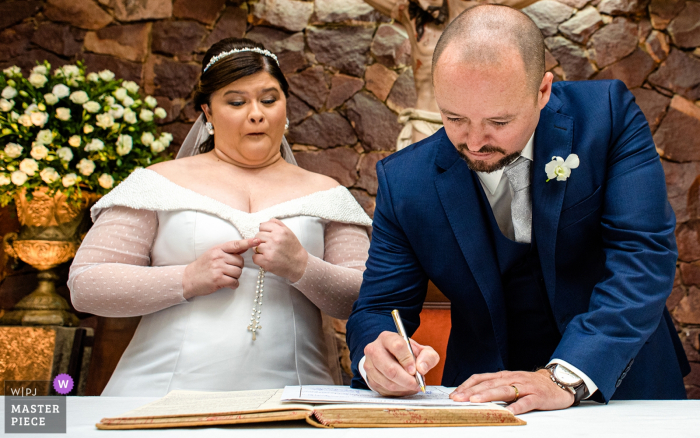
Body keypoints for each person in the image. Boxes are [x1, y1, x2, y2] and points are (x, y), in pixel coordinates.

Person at [346, 5, 690, 414]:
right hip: (481, 401)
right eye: (454, 117)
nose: (474, 142)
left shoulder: (607, 117)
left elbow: (643, 257)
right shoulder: (405, 181)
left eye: (499, 121)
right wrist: (377, 357)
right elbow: (377, 307)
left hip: (620, 390)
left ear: (542, 91)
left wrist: (565, 375)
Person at [68, 38, 372, 396]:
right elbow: (86, 286)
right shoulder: (157, 184)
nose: (256, 113)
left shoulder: (327, 195)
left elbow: (370, 298)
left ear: (285, 108)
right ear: (208, 113)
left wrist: (303, 267)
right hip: (161, 395)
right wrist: (185, 278)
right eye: (236, 102)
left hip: (297, 398)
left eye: (269, 99)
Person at [361, 0, 539, 150]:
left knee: (472, 187)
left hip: (469, 122)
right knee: (420, 186)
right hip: (426, 119)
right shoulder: (410, 13)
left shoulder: (482, 9)